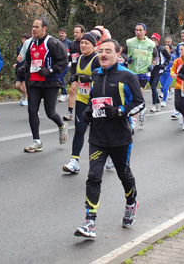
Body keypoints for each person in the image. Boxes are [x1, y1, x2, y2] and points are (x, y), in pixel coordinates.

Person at [73, 39, 144, 239]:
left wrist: (120, 110)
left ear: (117, 54)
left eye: (108, 51)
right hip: (97, 136)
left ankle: (131, 203)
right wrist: (87, 111)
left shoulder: (127, 76)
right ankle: (90, 222)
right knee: (94, 176)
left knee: (124, 175)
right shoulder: (96, 74)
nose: (103, 55)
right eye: (101, 51)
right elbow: (93, 99)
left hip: (120, 137)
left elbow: (139, 104)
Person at [18, 18, 69, 153]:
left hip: (50, 82)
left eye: (37, 27)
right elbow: (29, 60)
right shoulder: (31, 43)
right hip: (34, 82)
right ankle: (37, 141)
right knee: (32, 110)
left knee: (50, 113)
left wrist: (50, 70)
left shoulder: (53, 43)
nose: (33, 29)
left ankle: (62, 126)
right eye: (33, 27)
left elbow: (63, 62)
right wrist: (24, 68)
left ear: (44, 28)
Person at [63, 32, 100, 174]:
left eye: (86, 43)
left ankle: (109, 157)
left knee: (99, 132)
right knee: (79, 130)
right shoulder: (78, 58)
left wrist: (89, 79)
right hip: (81, 99)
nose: (83, 45)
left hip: (96, 101)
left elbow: (101, 77)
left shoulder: (96, 59)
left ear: (93, 45)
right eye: (82, 43)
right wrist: (73, 78)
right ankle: (74, 161)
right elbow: (74, 71)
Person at [123, 23, 157, 129]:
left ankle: (133, 122)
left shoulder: (151, 44)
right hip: (132, 72)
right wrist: (127, 59)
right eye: (136, 30)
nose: (138, 32)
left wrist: (153, 64)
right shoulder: (130, 42)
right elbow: (123, 53)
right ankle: (141, 110)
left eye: (140, 30)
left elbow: (155, 56)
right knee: (133, 96)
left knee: (138, 92)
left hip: (144, 72)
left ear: (145, 32)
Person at [64, 25, 85, 121]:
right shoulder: (72, 44)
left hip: (84, 71)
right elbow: (71, 57)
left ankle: (88, 112)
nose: (75, 34)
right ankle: (70, 112)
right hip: (74, 71)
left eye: (77, 32)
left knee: (85, 93)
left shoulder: (85, 43)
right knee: (72, 90)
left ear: (82, 33)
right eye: (74, 32)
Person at [149, 33, 172, 113]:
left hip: (158, 71)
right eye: (152, 40)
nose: (153, 41)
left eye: (155, 40)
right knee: (153, 88)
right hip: (150, 70)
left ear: (158, 41)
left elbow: (169, 57)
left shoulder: (161, 49)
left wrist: (164, 65)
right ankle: (158, 102)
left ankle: (154, 104)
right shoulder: (149, 48)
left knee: (153, 87)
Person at [170, 44, 184, 130]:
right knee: (177, 105)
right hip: (178, 85)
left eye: (182, 49)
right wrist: (173, 74)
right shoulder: (177, 60)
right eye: (179, 50)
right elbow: (173, 69)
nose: (180, 51)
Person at [13, 33, 30, 106]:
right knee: (17, 85)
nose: (24, 41)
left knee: (24, 85)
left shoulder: (30, 47)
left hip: (26, 68)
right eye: (23, 39)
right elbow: (19, 56)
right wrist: (16, 63)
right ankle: (25, 94)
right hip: (19, 68)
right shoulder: (19, 47)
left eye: (26, 39)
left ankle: (26, 99)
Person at [57, 27, 72, 102]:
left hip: (67, 63)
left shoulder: (69, 43)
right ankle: (64, 93)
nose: (61, 34)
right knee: (59, 77)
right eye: (60, 33)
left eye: (63, 33)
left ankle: (63, 93)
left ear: (66, 34)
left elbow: (72, 53)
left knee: (60, 77)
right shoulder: (56, 41)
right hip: (58, 63)